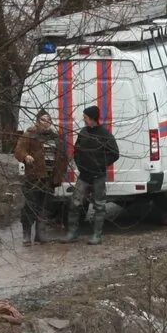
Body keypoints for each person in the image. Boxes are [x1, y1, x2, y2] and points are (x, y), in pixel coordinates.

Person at [68, 104, 120, 245]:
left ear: (92, 118)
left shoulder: (105, 135)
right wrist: (80, 164)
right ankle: (72, 233)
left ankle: (97, 235)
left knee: (99, 205)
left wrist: (101, 164)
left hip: (98, 175)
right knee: (74, 203)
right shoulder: (83, 132)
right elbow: (76, 150)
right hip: (84, 175)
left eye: (85, 117)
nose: (83, 119)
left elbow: (115, 154)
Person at [13, 108, 62, 245]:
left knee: (45, 206)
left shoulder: (54, 137)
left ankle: (40, 234)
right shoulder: (30, 135)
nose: (46, 122)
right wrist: (25, 156)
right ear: (37, 121)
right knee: (30, 205)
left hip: (49, 177)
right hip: (34, 177)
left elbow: (62, 154)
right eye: (43, 120)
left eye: (49, 120)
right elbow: (18, 150)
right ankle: (27, 234)